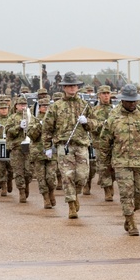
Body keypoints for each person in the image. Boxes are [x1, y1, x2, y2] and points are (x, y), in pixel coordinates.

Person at [97, 85, 140, 236]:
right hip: (121, 162)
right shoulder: (113, 117)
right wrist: (105, 164)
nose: (132, 104)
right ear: (122, 101)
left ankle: (130, 213)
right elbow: (105, 142)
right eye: (129, 101)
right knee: (126, 193)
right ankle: (131, 221)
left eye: (134, 101)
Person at [42, 72, 97, 219]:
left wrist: (87, 122)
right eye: (69, 86)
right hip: (63, 146)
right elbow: (47, 128)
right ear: (64, 88)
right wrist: (47, 147)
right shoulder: (56, 107)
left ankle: (76, 194)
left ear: (78, 87)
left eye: (74, 86)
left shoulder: (84, 105)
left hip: (81, 145)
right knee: (67, 176)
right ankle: (71, 204)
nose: (72, 88)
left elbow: (95, 124)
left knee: (82, 176)